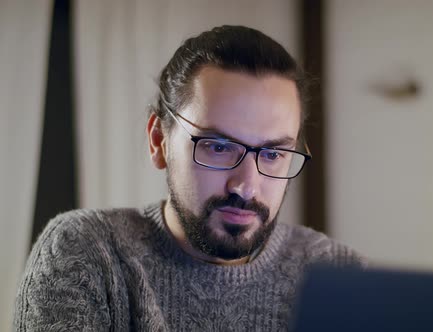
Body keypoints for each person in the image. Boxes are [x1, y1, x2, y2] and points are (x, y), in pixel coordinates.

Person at [14, 25, 364, 331]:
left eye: (273, 154)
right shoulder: (87, 255)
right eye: (218, 146)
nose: (245, 185)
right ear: (158, 141)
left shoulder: (340, 275)